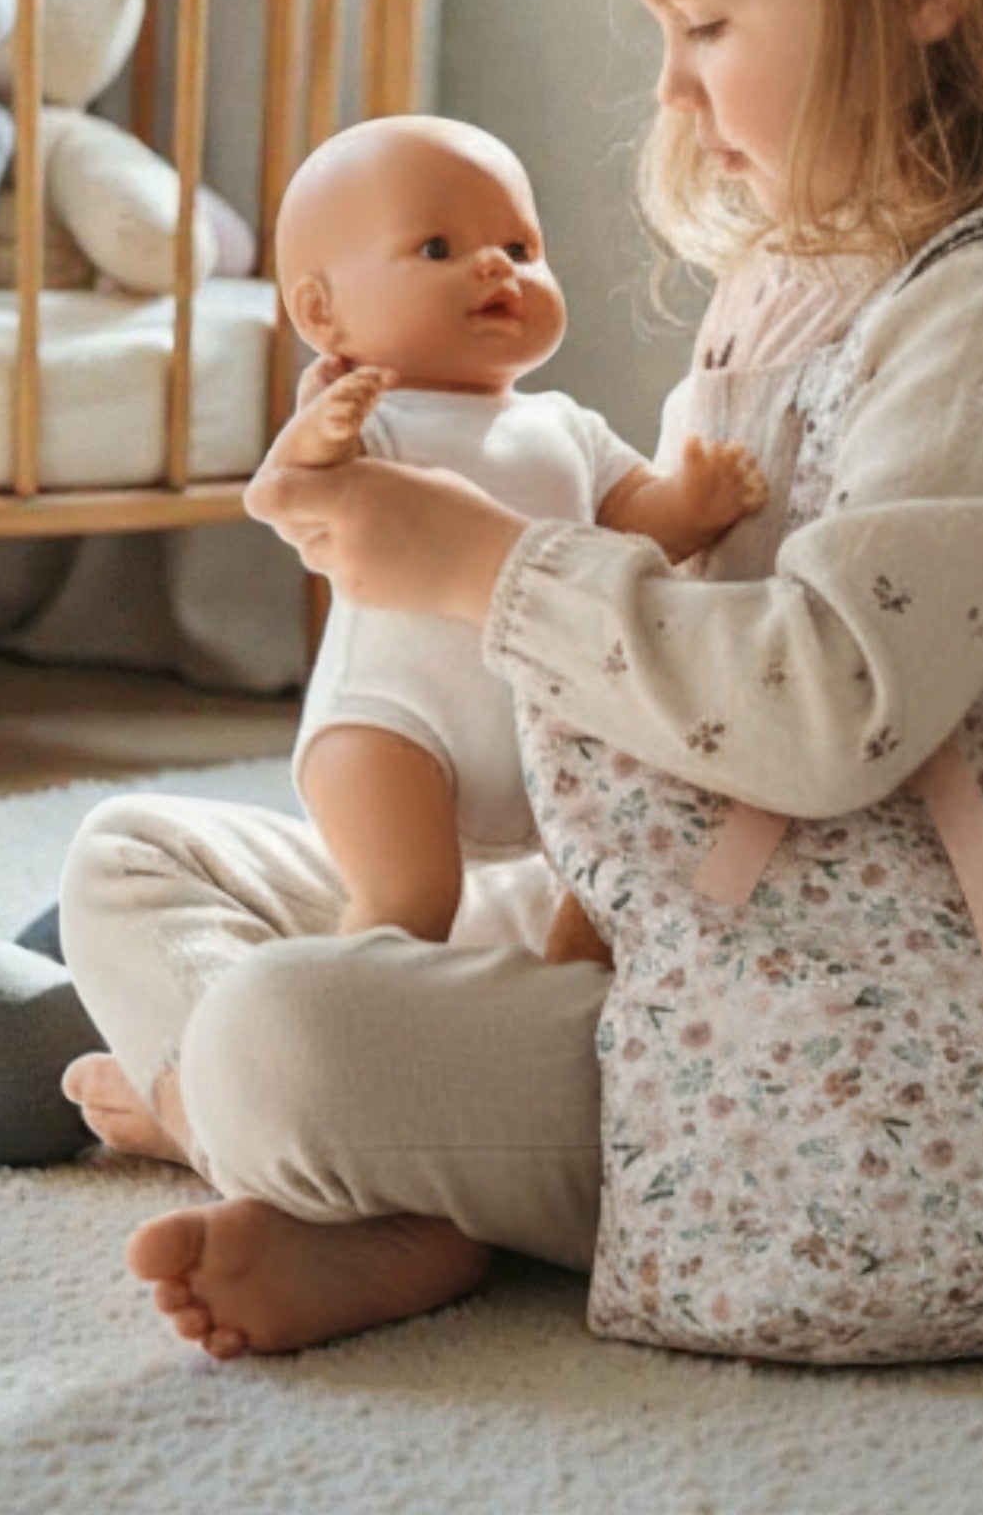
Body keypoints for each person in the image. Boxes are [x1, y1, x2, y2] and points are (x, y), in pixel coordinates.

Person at [54, 0, 983, 1362]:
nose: (673, 90)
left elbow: (829, 707)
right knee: (131, 846)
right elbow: (680, 669)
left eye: (699, 21)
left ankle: (302, 1131)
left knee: (282, 1037)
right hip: (679, 926)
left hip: (874, 1031)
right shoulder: (801, 278)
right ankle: (365, 1166)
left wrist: (485, 570)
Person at [270, 112, 765, 951]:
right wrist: (322, 431)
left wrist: (694, 504)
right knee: (409, 905)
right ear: (324, 314)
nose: (497, 265)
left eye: (523, 249)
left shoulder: (563, 425)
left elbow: (633, 523)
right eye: (438, 248)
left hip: (554, 750)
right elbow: (290, 493)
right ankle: (337, 1002)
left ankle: (533, 1021)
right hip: (393, 729)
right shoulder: (378, 418)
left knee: (605, 912)